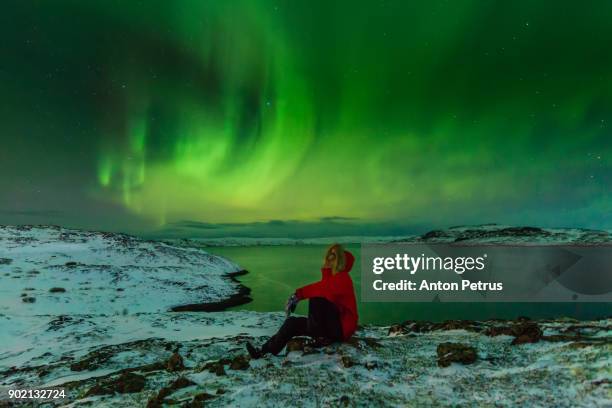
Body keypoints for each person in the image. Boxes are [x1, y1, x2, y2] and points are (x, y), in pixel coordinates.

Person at [246, 244, 358, 358]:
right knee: (292, 323)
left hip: (341, 330)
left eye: (333, 256)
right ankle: (263, 352)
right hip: (329, 327)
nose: (328, 258)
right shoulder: (332, 279)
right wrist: (327, 270)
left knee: (317, 298)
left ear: (340, 262)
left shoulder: (344, 278)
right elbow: (324, 287)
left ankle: (319, 337)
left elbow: (322, 288)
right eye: (328, 256)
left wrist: (298, 295)